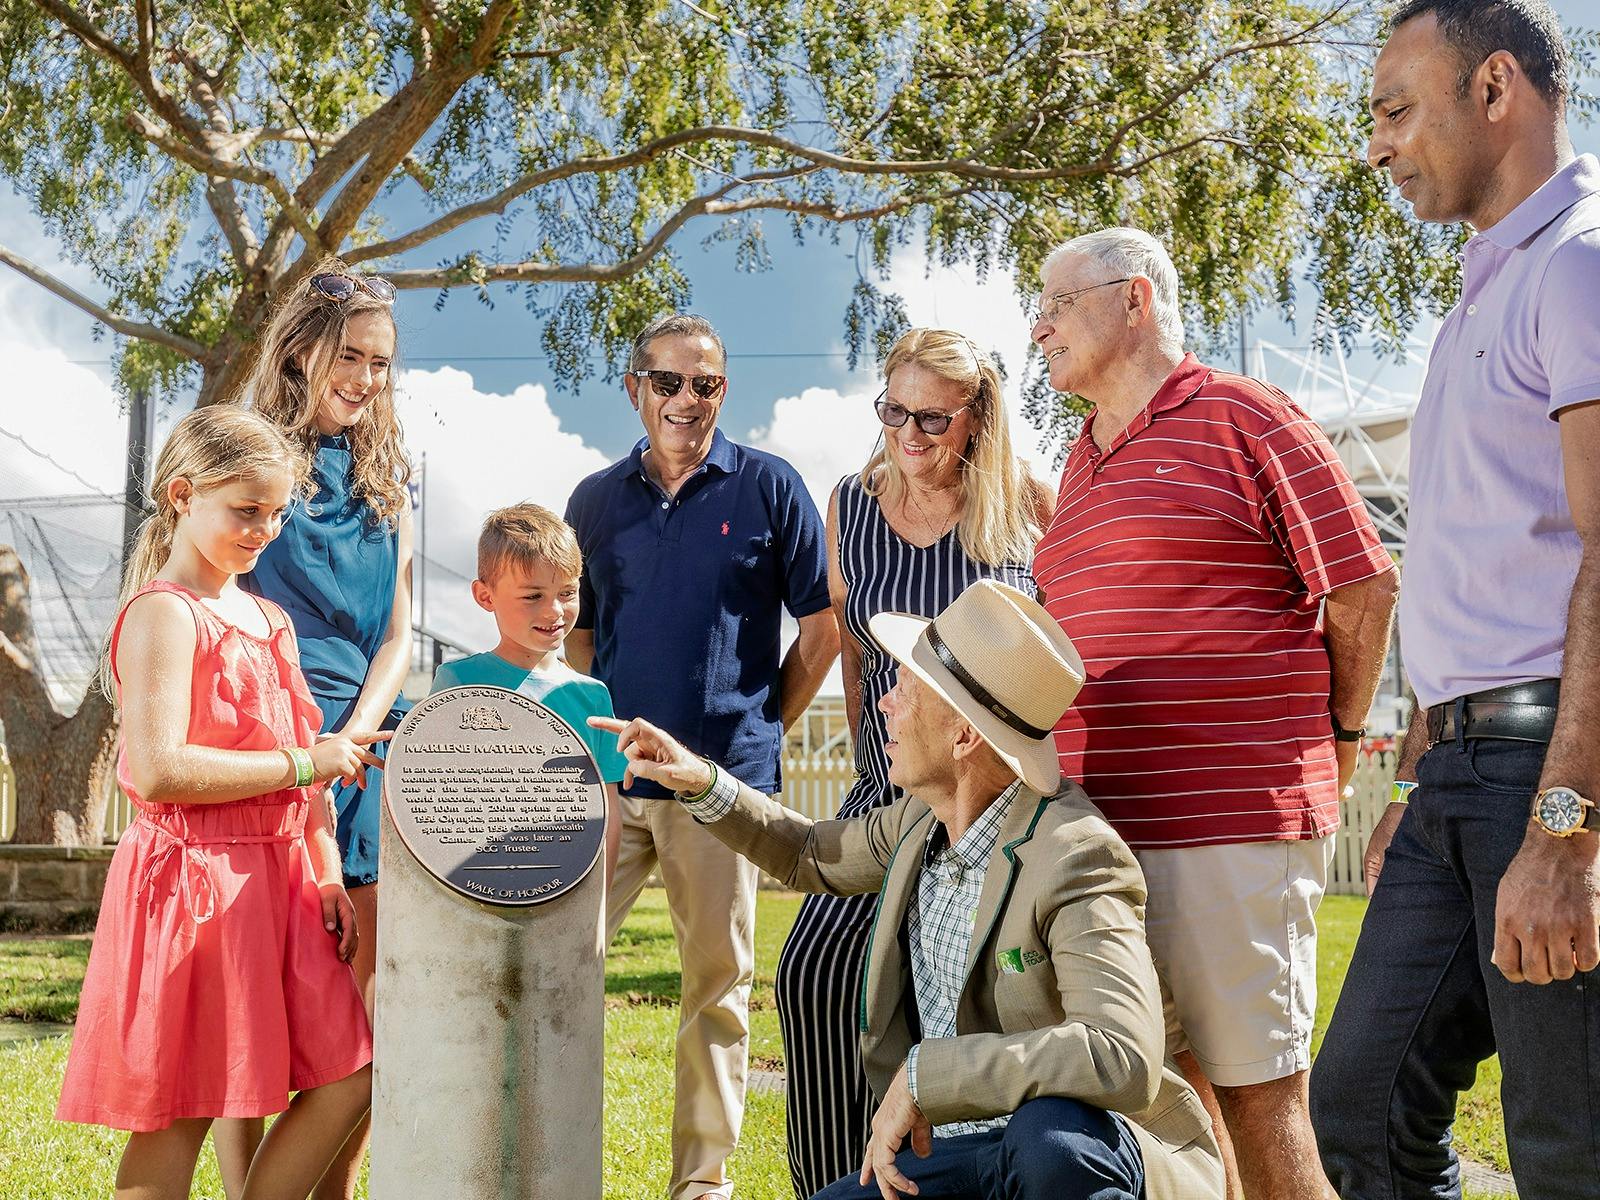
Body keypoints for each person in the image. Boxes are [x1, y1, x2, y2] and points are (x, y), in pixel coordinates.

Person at [589, 579, 1225, 1200]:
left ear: (965, 735)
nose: (884, 703)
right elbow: (811, 851)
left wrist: (930, 1077)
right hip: (963, 1156)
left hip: (1076, 1156)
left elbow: (1121, 1054)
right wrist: (700, 780)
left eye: (906, 688)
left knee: (1050, 1140)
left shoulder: (1076, 855)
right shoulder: (921, 821)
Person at [1029, 227, 1398, 1200]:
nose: (1038, 331)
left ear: (1133, 298)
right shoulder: (1078, 464)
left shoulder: (1245, 415)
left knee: (1260, 1108)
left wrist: (1341, 736)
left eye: (1056, 305)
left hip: (1230, 828)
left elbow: (1361, 585)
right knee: (1175, 1116)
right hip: (1107, 838)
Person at [1311, 3, 1600, 1194]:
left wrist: (1568, 830)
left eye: (1392, 109)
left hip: (1554, 772)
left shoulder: (1579, 263)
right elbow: (1476, 568)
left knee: (1568, 1151)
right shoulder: (1480, 296)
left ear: (1494, 89)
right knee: (1360, 1108)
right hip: (1455, 778)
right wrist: (1420, 763)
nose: (1375, 145)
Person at [55, 405, 384, 1200]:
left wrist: (329, 871)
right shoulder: (164, 613)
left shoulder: (271, 619)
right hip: (193, 888)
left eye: (275, 512)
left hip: (285, 883)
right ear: (181, 495)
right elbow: (160, 768)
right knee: (182, 1112)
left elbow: (304, 779)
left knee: (353, 1072)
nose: (264, 529)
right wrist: (307, 760)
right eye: (246, 510)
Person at [564, 313, 839, 1200]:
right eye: (670, 382)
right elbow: (578, 639)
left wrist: (762, 726)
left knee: (717, 992)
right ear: (635, 387)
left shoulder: (769, 487)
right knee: (553, 966)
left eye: (707, 384)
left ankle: (702, 1189)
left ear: (725, 389)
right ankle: (550, 1167)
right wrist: (604, 728)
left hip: (720, 786)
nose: (688, 400)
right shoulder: (594, 502)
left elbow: (824, 629)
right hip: (611, 785)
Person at [774, 327, 1050, 1198]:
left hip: (999, 794)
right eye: (894, 412)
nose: (910, 436)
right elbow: (857, 651)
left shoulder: (1029, 505)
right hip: (891, 777)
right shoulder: (851, 504)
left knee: (971, 996)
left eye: (932, 418)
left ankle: (960, 1173)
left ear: (977, 417)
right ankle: (829, 1186)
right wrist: (874, 760)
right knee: (813, 973)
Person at [233, 262, 413, 1200]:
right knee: (257, 1007)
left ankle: (334, 1193)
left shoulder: (391, 476)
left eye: (381, 362)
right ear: (302, 346)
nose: (366, 378)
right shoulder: (250, 454)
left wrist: (358, 740)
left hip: (366, 754)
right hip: (264, 745)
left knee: (357, 1010)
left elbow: (396, 637)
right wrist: (306, 752)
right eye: (351, 354)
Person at [428, 503, 626, 881]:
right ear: (485, 597)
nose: (554, 611)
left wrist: (597, 900)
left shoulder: (594, 697)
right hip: (479, 881)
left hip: (566, 883)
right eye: (533, 596)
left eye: (567, 593)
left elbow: (608, 814)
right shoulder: (456, 682)